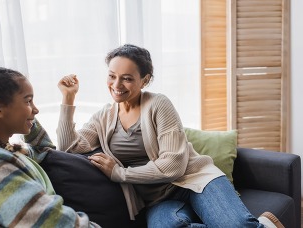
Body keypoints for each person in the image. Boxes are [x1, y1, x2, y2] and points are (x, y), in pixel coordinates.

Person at [56, 44, 284, 228]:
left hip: (195, 181)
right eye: (112, 76)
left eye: (127, 78)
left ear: (144, 80)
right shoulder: (103, 117)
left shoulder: (158, 104)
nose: (117, 84)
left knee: (236, 226)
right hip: (157, 199)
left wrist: (120, 173)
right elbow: (68, 148)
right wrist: (68, 99)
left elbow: (173, 165)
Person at [0, 66, 100, 227]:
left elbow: (44, 150)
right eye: (28, 101)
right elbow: (48, 222)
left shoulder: (5, 150)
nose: (36, 109)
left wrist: (29, 118)